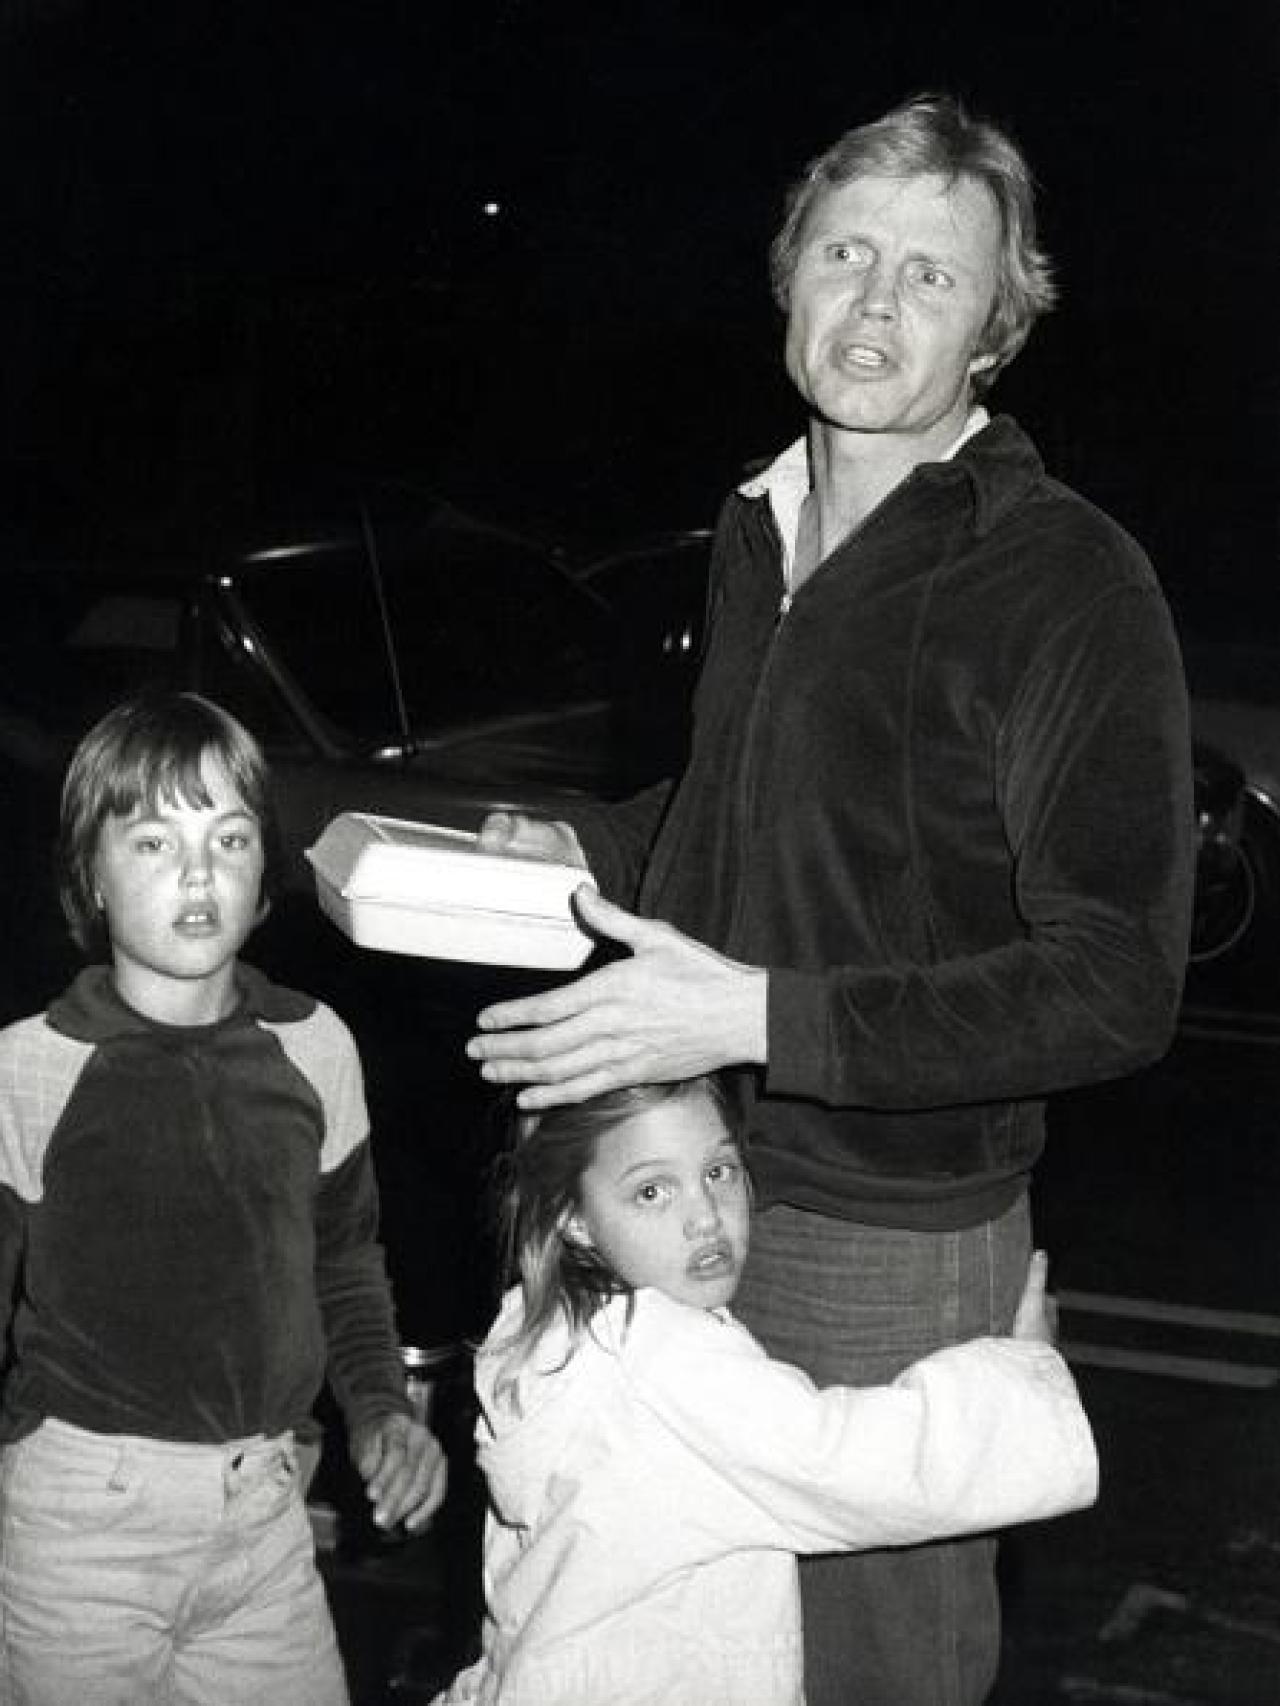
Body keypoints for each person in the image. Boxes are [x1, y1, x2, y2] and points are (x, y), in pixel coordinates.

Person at [465, 92, 1195, 1706]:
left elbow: (1117, 977)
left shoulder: (1066, 578)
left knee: (876, 1672)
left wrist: (753, 1013)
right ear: (788, 274)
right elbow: (754, 812)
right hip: (674, 1166)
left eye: (932, 277)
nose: (875, 303)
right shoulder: (757, 525)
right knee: (653, 1638)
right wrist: (585, 850)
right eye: (847, 252)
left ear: (998, 332)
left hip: (888, 1224)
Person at [0, 690, 448, 1706]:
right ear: (91, 879)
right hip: (82, 1523)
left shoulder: (316, 1043)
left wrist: (380, 1409)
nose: (199, 871)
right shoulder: (28, 1068)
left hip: (264, 1512)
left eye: (229, 836)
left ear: (264, 872)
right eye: (154, 840)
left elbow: (344, 1260)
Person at [431, 1076, 1097, 1706]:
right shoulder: (670, 1361)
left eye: (717, 1172)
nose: (704, 1218)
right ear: (573, 1218)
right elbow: (850, 1463)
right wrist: (1020, 1376)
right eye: (652, 1192)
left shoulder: (544, 1326)